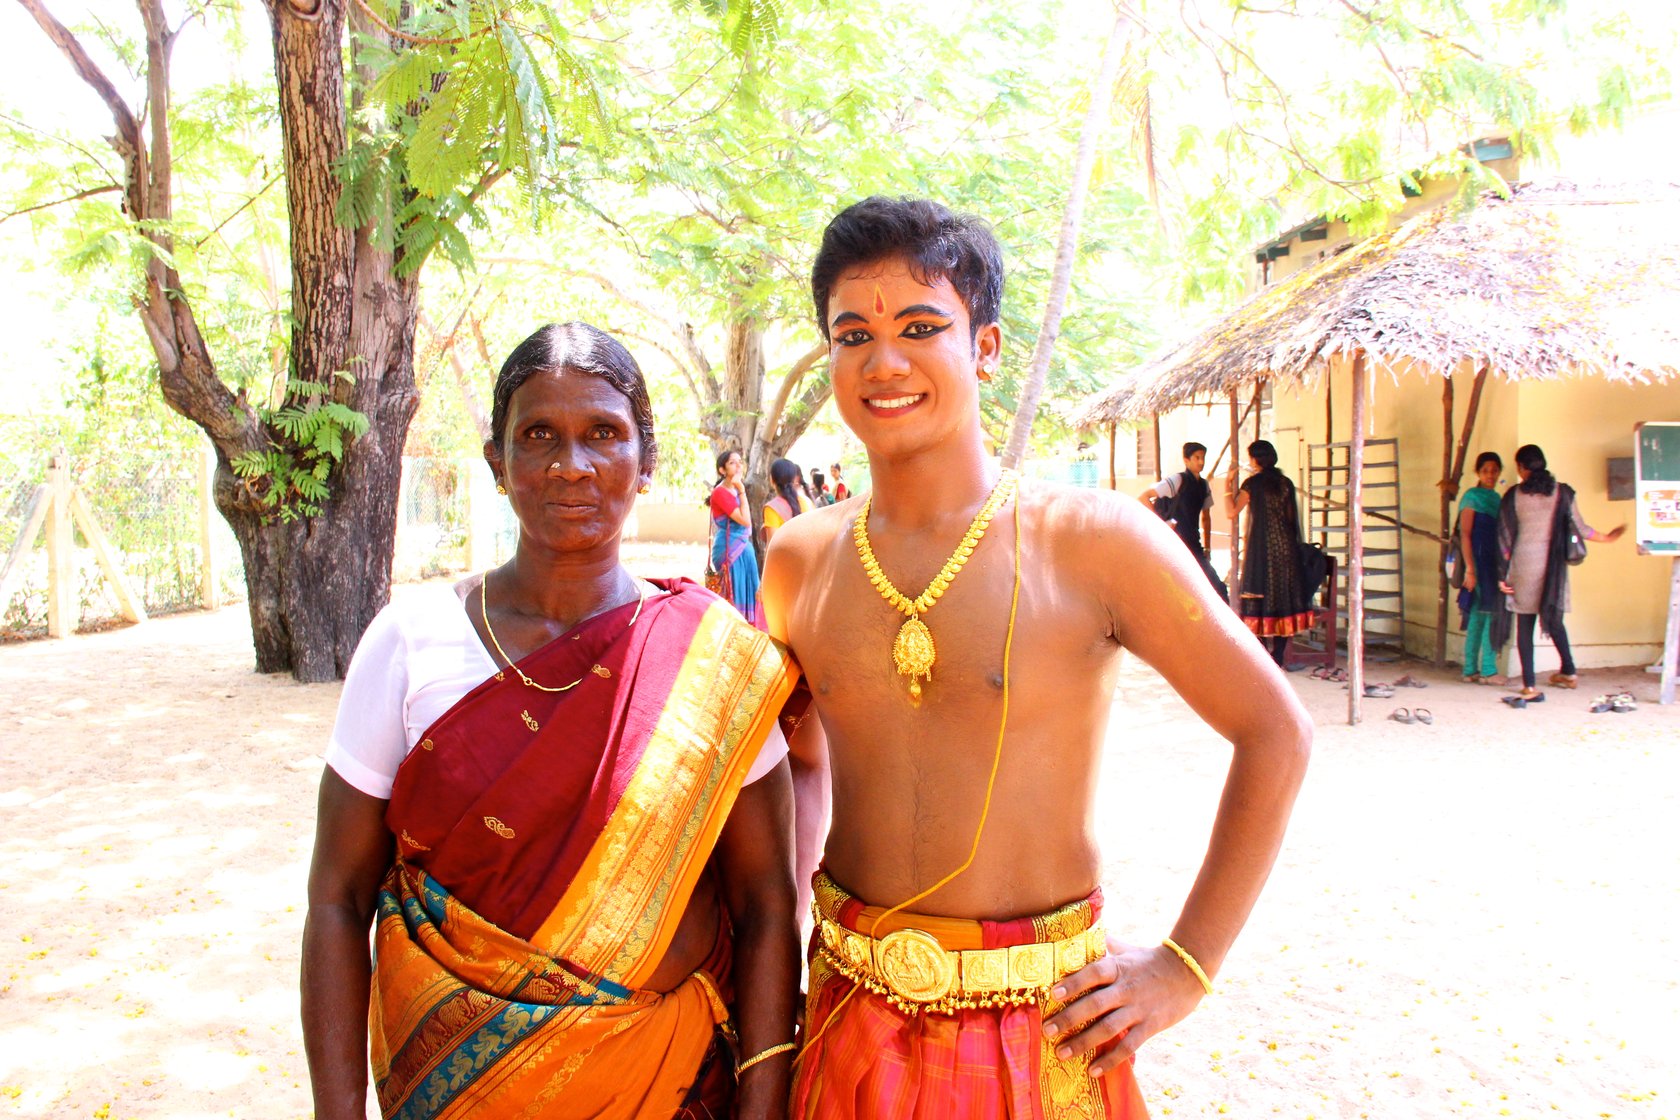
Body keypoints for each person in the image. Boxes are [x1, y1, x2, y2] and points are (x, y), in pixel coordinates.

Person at [762, 197, 1311, 1118]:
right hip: (846, 1013)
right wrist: (781, 928)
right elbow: (803, 760)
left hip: (1039, 1031)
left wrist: (1184, 966)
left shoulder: (1092, 541)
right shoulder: (800, 558)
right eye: (851, 334)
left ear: (985, 347)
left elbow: (1276, 731)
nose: (882, 361)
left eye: (921, 327)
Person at [301, 323, 802, 1120]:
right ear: (499, 463)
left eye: (604, 433)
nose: (572, 465)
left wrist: (763, 1102)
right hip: (453, 1092)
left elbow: (768, 904)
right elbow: (337, 895)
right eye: (539, 436)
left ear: (648, 460)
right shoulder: (411, 640)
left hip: (666, 1085)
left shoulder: (711, 662)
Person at [1494, 443, 1625, 704]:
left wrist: (1502, 574)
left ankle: (1529, 685)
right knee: (1555, 620)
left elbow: (1505, 539)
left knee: (1525, 624)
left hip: (1524, 567)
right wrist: (1607, 538)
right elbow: (1581, 528)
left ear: (1521, 468)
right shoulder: (1562, 493)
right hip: (1553, 569)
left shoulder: (1513, 496)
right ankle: (1569, 671)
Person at [1223, 440, 1313, 667]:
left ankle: (1263, 653)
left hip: (1262, 548)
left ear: (1255, 459)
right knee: (1282, 594)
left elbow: (1231, 512)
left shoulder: (1252, 484)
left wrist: (1227, 485)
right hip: (1285, 547)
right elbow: (1292, 519)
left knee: (1259, 593)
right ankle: (1279, 654)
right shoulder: (1285, 483)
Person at [1141, 441, 1228, 601]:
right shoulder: (1177, 480)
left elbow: (1206, 517)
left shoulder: (1203, 486)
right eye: (1197, 457)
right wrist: (1162, 526)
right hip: (1174, 542)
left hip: (1193, 542)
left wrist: (1207, 547)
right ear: (1186, 460)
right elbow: (1144, 497)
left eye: (1203, 458)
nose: (1201, 462)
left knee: (1218, 589)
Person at [1455, 451, 1506, 684]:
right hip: (1477, 561)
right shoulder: (1472, 497)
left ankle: (1469, 670)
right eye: (1485, 470)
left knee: (1477, 615)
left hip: (1491, 561)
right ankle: (1487, 670)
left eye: (1494, 470)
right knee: (1488, 613)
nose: (1490, 475)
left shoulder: (1496, 499)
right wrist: (1470, 569)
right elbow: (1465, 534)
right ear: (1478, 472)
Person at [711, 448, 764, 627]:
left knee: (750, 592)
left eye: (740, 461)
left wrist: (740, 490)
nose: (739, 465)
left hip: (744, 546)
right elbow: (745, 521)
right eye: (733, 463)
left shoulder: (734, 490)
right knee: (735, 593)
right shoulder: (720, 492)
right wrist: (741, 490)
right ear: (722, 470)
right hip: (730, 549)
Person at [762, 458, 815, 544]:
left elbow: (772, 546)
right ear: (794, 480)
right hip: (810, 555)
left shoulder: (772, 508)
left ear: (771, 480)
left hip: (786, 557)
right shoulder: (807, 502)